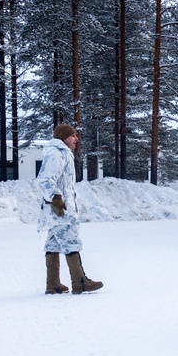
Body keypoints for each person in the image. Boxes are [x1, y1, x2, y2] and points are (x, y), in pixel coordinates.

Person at [37, 124, 103, 295]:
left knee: (53, 243)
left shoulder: (62, 153)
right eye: (73, 135)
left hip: (58, 207)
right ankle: (80, 281)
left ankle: (53, 284)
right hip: (59, 208)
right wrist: (56, 198)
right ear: (63, 137)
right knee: (70, 241)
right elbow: (45, 180)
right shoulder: (56, 154)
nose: (76, 139)